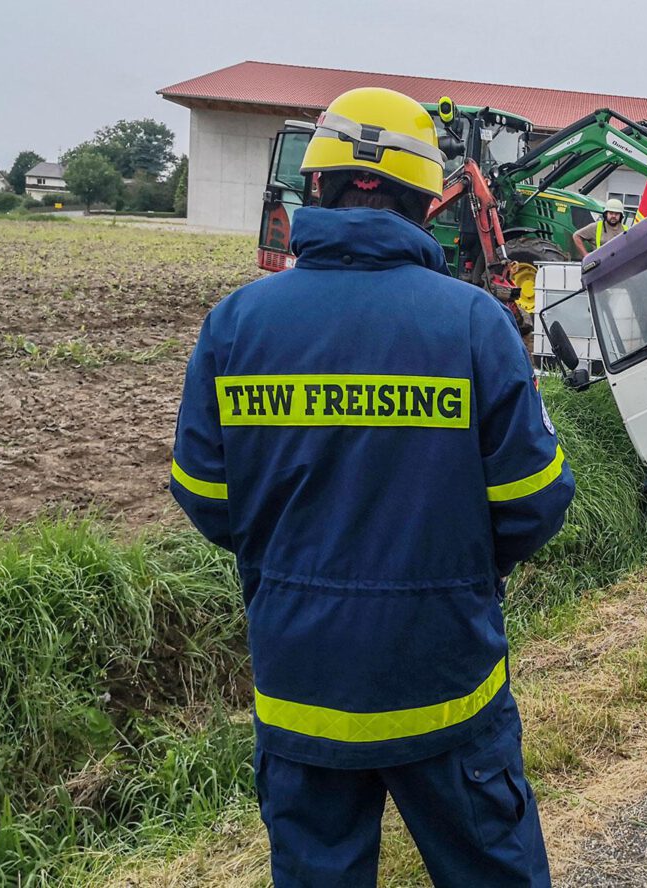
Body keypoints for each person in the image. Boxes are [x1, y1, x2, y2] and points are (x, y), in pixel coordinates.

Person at [170, 86, 574, 887]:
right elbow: (533, 498)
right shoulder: (473, 324)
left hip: (301, 685)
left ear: (313, 187)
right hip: (447, 684)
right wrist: (459, 572)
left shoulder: (236, 326)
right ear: (428, 203)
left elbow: (208, 499)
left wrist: (289, 564)